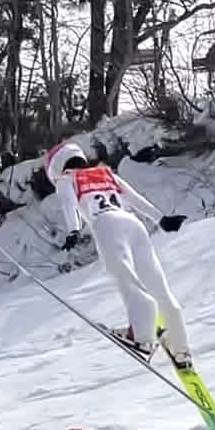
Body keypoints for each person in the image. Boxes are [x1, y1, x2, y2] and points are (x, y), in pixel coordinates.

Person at [45, 140, 192, 367]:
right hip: (133, 224)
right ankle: (179, 345)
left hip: (106, 225)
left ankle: (142, 338)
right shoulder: (105, 174)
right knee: (157, 284)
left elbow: (68, 203)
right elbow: (133, 198)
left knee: (127, 281)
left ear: (58, 168)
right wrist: (161, 219)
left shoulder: (67, 180)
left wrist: (73, 230)